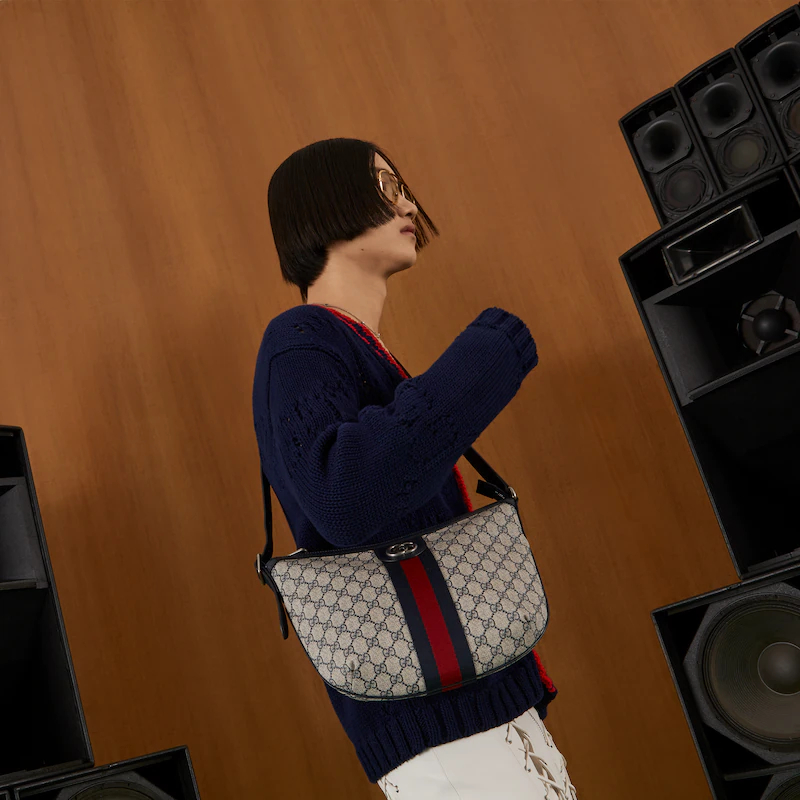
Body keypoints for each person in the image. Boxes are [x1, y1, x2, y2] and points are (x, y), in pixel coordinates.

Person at [252, 137, 578, 798]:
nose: (408, 205)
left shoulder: (355, 347)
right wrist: (493, 352)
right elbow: (346, 496)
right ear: (325, 204)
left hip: (479, 712)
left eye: (403, 187)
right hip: (445, 735)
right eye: (385, 186)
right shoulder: (299, 340)